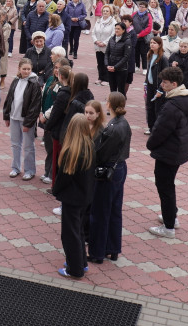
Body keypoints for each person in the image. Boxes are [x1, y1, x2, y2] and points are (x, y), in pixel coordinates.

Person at [146, 66, 188, 239]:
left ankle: (169, 226)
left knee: (164, 187)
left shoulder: (172, 106)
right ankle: (171, 216)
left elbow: (160, 130)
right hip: (179, 149)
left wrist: (150, 144)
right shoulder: (187, 98)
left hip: (169, 152)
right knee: (168, 185)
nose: (162, 85)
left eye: (165, 82)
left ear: (174, 84)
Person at [88, 95, 129, 263]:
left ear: (109, 104)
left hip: (108, 171)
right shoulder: (123, 122)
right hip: (119, 168)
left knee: (100, 212)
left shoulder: (113, 127)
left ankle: (97, 253)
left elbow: (102, 153)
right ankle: (112, 248)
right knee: (114, 210)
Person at [54, 115, 95, 279]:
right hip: (85, 197)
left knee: (69, 234)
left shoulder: (71, 151)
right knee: (78, 230)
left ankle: (75, 269)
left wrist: (57, 191)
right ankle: (81, 263)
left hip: (71, 198)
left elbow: (63, 178)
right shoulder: (89, 145)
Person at [3, 59, 42, 182]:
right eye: (24, 69)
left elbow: (35, 105)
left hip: (25, 119)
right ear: (19, 68)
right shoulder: (15, 81)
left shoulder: (34, 83)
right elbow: (9, 98)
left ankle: (30, 170)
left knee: (28, 146)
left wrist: (28, 123)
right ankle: (15, 167)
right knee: (15, 144)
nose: (26, 71)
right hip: (14, 117)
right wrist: (6, 116)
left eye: (28, 69)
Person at [105, 22, 133, 96]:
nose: (116, 30)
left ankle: (121, 105)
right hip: (110, 67)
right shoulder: (112, 39)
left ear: (123, 30)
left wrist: (116, 67)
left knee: (121, 90)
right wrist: (107, 65)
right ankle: (113, 104)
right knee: (112, 89)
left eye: (118, 29)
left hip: (121, 69)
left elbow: (126, 57)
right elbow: (107, 53)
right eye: (115, 29)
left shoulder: (127, 41)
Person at [92, 5, 116, 86]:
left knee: (106, 62)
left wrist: (104, 42)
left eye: (107, 11)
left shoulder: (113, 22)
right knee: (99, 62)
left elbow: (113, 34)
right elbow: (93, 32)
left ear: (110, 12)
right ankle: (100, 77)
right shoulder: (98, 21)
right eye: (104, 11)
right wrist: (96, 41)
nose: (105, 12)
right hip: (98, 45)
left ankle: (107, 79)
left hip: (106, 46)